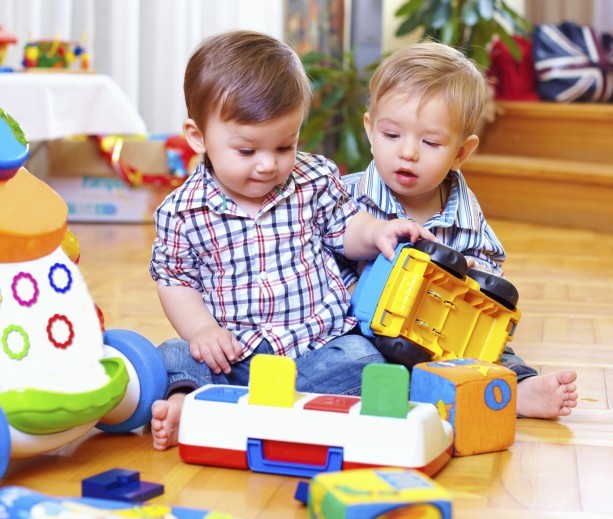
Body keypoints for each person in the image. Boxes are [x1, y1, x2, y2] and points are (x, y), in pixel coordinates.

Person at [148, 31, 433, 451]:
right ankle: (189, 402)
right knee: (174, 354)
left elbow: (345, 228)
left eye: (285, 145)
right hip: (235, 358)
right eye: (246, 151)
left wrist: (376, 232)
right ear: (198, 136)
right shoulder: (182, 211)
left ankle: (250, 413)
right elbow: (175, 280)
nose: (268, 165)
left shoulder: (312, 178)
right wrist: (203, 329)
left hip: (315, 349)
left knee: (365, 359)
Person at [340, 42, 578, 419]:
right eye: (391, 136)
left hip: (442, 338)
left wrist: (464, 277)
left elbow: (490, 270)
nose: (408, 153)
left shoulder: (465, 212)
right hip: (366, 332)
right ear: (370, 130)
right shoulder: (345, 197)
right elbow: (320, 259)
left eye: (430, 142)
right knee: (351, 359)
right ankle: (407, 391)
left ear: (461, 153)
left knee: (495, 354)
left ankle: (517, 390)